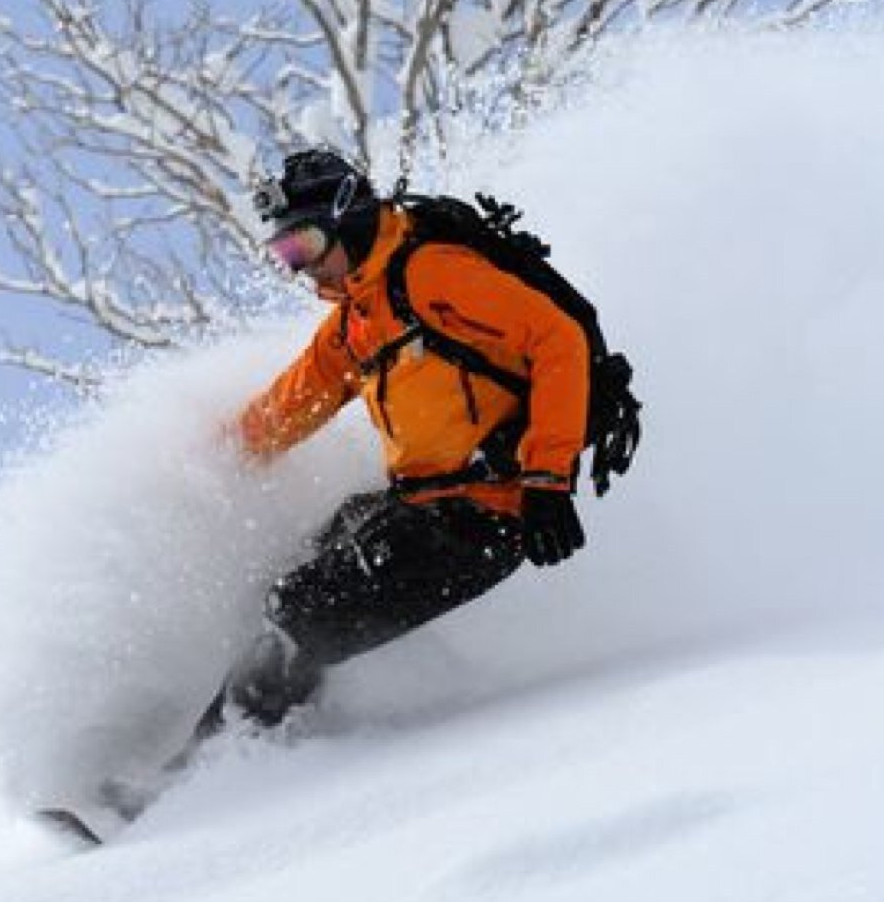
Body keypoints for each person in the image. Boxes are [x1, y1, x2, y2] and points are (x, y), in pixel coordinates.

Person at [189, 147, 592, 742]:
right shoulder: (357, 319)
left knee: (295, 610)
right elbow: (287, 408)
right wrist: (199, 465)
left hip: (487, 511)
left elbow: (558, 342)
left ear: (346, 218)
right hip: (421, 505)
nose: (299, 268)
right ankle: (278, 737)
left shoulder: (431, 274)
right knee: (283, 578)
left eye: (303, 246)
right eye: (284, 256)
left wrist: (547, 480)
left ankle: (194, 784)